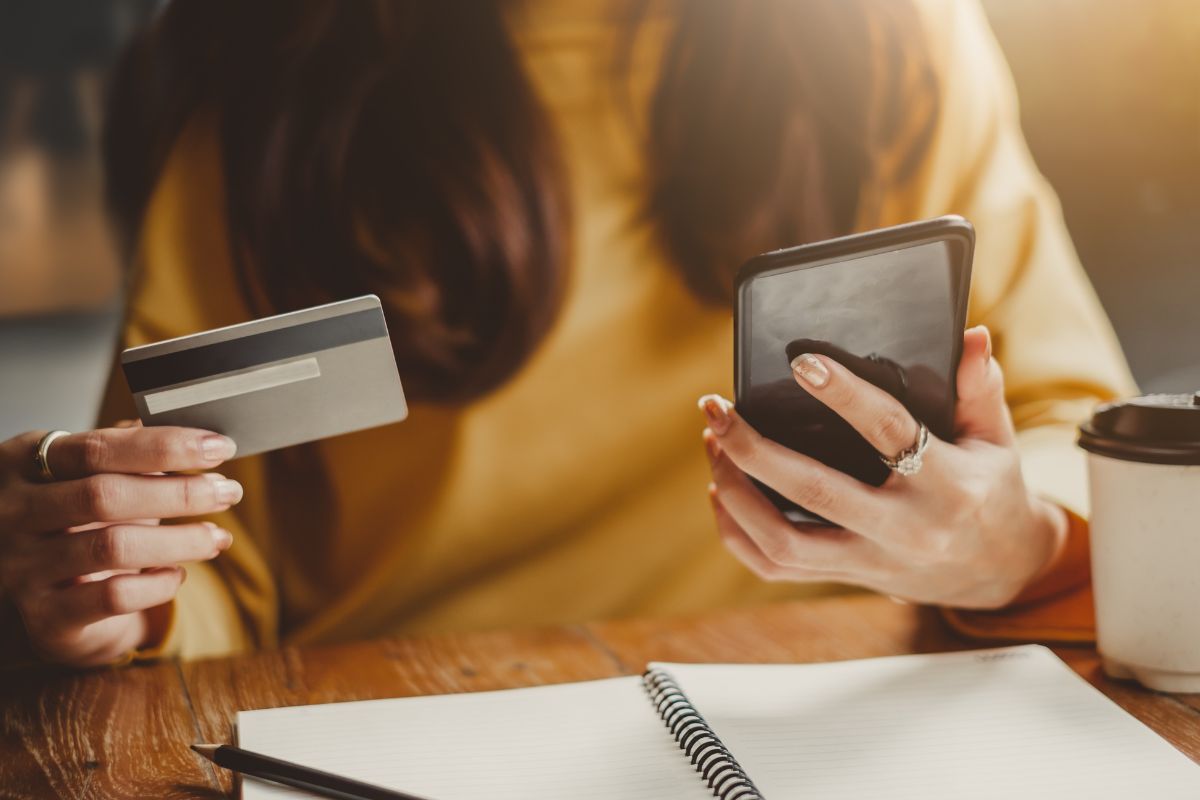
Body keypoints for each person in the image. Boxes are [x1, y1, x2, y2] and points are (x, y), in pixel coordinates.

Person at [0, 0, 1134, 668]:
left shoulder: (895, 40)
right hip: (395, 719)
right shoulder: (261, 85)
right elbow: (204, 564)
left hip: (852, 708)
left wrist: (1014, 543)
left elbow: (1079, 435)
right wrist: (115, 592)